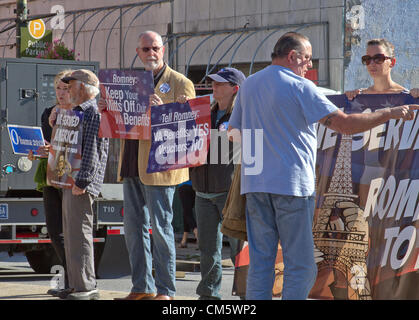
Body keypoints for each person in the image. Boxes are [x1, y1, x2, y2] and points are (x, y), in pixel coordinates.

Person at [228, 31, 418, 300]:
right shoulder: (300, 86)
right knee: (302, 265)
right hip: (291, 185)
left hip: (255, 183)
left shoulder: (249, 85)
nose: (309, 65)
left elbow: (233, 132)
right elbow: (344, 124)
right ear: (293, 56)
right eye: (307, 59)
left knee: (261, 262)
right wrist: (388, 113)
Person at [115, 30, 195, 300]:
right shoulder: (129, 84)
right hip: (131, 163)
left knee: (161, 229)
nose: (151, 53)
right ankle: (141, 287)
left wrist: (164, 110)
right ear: (138, 52)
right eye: (145, 49)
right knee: (134, 230)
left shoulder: (180, 82)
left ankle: (166, 291)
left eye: (155, 48)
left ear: (164, 50)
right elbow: (117, 122)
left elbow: (189, 128)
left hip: (160, 167)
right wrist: (106, 107)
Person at [188, 67, 244, 300]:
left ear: (235, 89)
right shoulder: (203, 113)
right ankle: (209, 295)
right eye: (213, 83)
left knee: (239, 249)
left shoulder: (243, 115)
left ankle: (246, 293)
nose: (214, 87)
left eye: (220, 84)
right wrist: (185, 111)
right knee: (208, 249)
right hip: (202, 191)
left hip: (229, 192)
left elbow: (254, 151)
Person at [344, 38, 419, 208]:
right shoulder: (358, 98)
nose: (372, 64)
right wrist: (348, 99)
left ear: (391, 62)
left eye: (378, 58)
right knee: (366, 224)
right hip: (367, 171)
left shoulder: (407, 97)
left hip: (399, 173)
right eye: (367, 59)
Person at [57, 69, 109, 300]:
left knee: (80, 234)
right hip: (72, 180)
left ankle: (86, 287)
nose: (68, 88)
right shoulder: (78, 112)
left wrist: (83, 181)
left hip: (80, 182)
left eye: (72, 84)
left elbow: (92, 150)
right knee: (71, 235)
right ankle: (77, 284)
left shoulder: (92, 113)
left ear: (86, 86)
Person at [28, 69, 73, 296]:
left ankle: (76, 280)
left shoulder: (79, 113)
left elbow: (76, 148)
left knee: (72, 230)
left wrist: (53, 149)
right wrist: (36, 152)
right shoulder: (48, 112)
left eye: (66, 88)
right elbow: (46, 144)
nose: (62, 93)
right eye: (58, 88)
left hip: (71, 176)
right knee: (55, 231)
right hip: (50, 175)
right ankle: (68, 279)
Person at [177, 180, 198, 248]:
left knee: (187, 212)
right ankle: (184, 240)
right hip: (195, 185)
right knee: (186, 212)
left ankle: (197, 234)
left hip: (183, 185)